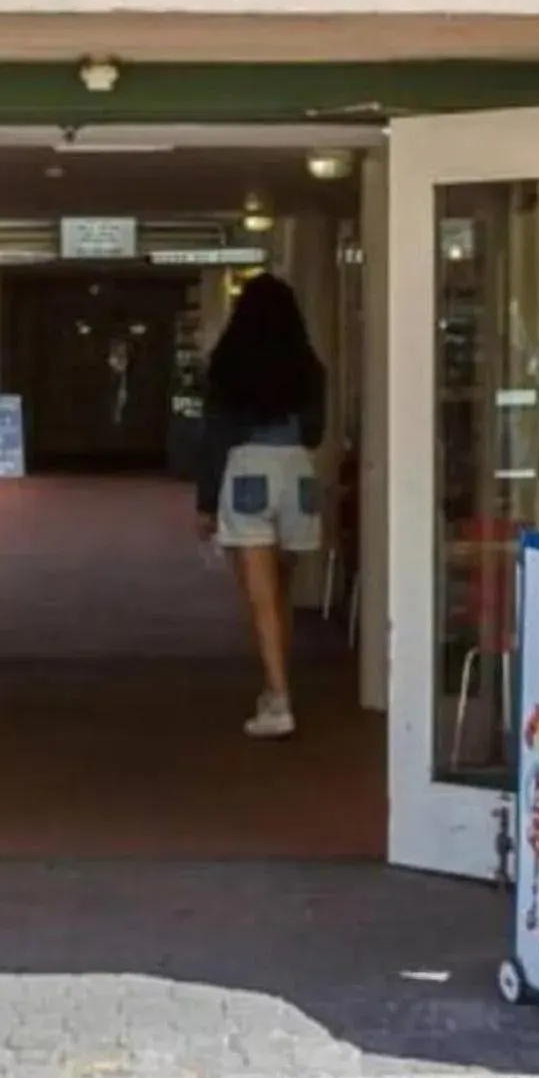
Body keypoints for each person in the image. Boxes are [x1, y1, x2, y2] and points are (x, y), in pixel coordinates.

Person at [195, 273, 326, 738]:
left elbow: (215, 436)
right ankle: (276, 685)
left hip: (247, 466)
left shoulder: (229, 365)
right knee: (282, 591)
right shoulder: (308, 366)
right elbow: (315, 431)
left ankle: (278, 696)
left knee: (259, 598)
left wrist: (207, 502)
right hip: (298, 471)